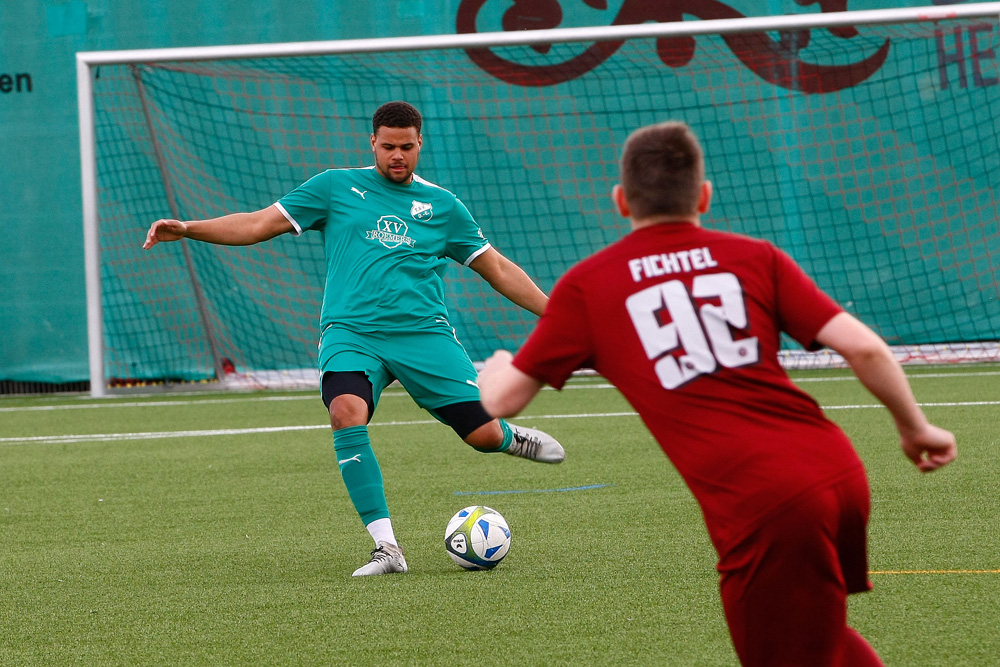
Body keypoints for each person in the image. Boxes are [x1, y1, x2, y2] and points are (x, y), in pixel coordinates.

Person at [478, 121, 957, 666]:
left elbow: (502, 403)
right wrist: (915, 427)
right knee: (820, 638)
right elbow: (866, 349)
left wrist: (497, 367)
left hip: (765, 507)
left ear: (619, 202)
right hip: (838, 471)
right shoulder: (756, 256)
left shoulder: (590, 285)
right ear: (704, 195)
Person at [143, 101, 565, 577]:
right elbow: (261, 223)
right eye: (388, 147)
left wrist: (556, 315)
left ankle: (510, 438)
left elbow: (500, 270)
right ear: (373, 143)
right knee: (345, 411)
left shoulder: (443, 207)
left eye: (406, 147)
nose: (397, 156)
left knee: (482, 436)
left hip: (423, 335)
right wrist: (190, 229)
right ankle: (387, 549)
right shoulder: (334, 187)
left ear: (420, 144)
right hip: (351, 333)